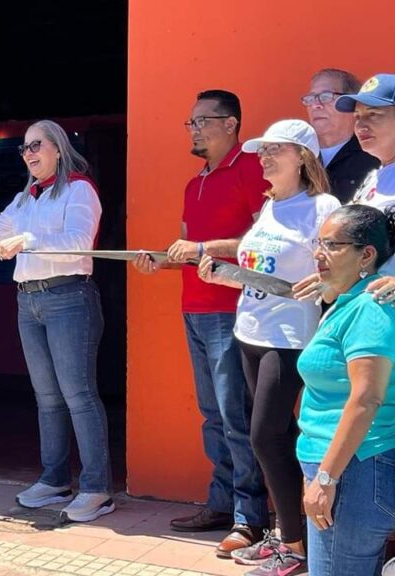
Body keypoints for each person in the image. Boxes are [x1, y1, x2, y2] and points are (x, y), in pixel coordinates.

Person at [198, 120, 340, 575]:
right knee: (278, 438)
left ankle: (295, 544)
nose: (264, 157)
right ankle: (293, 535)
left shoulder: (322, 206)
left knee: (265, 436)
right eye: (262, 150)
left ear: (303, 156)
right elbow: (256, 267)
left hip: (291, 340)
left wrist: (325, 280)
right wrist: (223, 273)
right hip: (250, 333)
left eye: (276, 150)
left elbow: (339, 268)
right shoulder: (268, 206)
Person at [0, 119, 113, 523]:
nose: (28, 153)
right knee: (47, 398)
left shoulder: (79, 189)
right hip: (30, 301)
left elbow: (80, 240)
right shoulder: (26, 198)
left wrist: (28, 241)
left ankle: (97, 489)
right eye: (24, 148)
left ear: (57, 149)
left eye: (36, 145)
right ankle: (55, 479)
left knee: (79, 395)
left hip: (68, 298)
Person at [134, 90, 270, 556]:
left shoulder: (251, 168)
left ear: (230, 123)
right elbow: (189, 248)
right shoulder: (195, 183)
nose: (192, 130)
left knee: (236, 416)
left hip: (230, 310)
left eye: (201, 121)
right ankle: (222, 502)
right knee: (213, 415)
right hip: (194, 308)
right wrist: (162, 259)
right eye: (189, 122)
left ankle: (250, 518)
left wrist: (202, 249)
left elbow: (260, 240)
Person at [296, 204, 395, 575]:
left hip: (355, 471)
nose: (318, 254)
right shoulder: (346, 303)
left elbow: (367, 398)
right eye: (317, 243)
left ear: (366, 254)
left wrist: (325, 478)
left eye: (332, 245)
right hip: (344, 469)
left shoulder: (370, 308)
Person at [293, 74, 395, 302]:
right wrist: (332, 278)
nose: (361, 124)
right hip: (366, 313)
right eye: (357, 115)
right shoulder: (374, 177)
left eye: (374, 114)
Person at [302, 69, 379, 204]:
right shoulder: (297, 158)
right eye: (311, 99)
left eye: (326, 96)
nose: (315, 105)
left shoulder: (376, 155)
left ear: (351, 104)